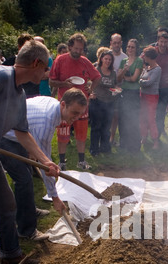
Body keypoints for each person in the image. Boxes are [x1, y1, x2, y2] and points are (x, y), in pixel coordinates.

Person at [0, 39, 59, 264]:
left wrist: (44, 161)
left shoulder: (20, 95)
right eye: (45, 67)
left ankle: (10, 253)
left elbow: (23, 133)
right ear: (35, 63)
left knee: (6, 202)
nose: (46, 72)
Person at [0, 88, 87, 241]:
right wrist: (55, 197)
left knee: (26, 175)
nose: (77, 118)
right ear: (63, 104)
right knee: (24, 179)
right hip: (4, 136)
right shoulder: (46, 122)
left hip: (21, 132)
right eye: (74, 113)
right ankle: (26, 230)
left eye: (80, 114)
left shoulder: (54, 107)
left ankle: (28, 210)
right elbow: (46, 165)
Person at [49, 33, 101, 170]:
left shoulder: (84, 61)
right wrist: (63, 83)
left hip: (82, 104)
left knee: (82, 134)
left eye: (81, 49)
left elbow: (97, 77)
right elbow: (51, 80)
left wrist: (90, 88)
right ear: (70, 46)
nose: (78, 52)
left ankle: (81, 161)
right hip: (65, 104)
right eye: (76, 48)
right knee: (63, 134)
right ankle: (62, 162)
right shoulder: (60, 60)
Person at [117, 39, 143, 153]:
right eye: (128, 47)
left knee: (133, 118)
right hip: (124, 92)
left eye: (132, 47)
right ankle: (123, 143)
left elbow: (134, 79)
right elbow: (118, 78)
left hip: (133, 93)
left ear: (136, 49)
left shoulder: (139, 61)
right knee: (122, 118)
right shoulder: (123, 61)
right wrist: (123, 72)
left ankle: (135, 145)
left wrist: (125, 77)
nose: (130, 49)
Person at [89, 50, 117, 156]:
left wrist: (116, 90)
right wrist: (90, 93)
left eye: (110, 59)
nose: (108, 61)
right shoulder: (96, 70)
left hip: (109, 102)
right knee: (96, 127)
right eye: (106, 59)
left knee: (106, 127)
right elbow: (88, 82)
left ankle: (105, 148)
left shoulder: (113, 73)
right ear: (101, 59)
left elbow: (114, 86)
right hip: (97, 102)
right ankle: (94, 150)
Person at [3, 33, 40, 98]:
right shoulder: (8, 64)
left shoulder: (36, 63)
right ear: (19, 47)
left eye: (30, 47)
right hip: (13, 98)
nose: (28, 50)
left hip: (32, 98)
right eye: (25, 47)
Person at [139, 46, 162, 149]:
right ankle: (144, 136)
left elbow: (149, 82)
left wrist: (140, 82)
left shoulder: (157, 69)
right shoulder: (146, 68)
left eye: (145, 56)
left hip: (152, 96)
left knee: (151, 119)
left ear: (149, 57)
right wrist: (143, 81)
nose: (144, 58)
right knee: (142, 117)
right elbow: (144, 80)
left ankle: (155, 141)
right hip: (143, 95)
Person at [109, 34, 128, 146]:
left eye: (118, 42)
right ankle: (106, 137)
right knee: (107, 115)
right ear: (111, 43)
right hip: (107, 88)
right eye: (114, 43)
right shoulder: (107, 55)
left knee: (116, 115)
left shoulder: (125, 57)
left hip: (120, 89)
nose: (116, 45)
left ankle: (113, 137)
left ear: (121, 43)